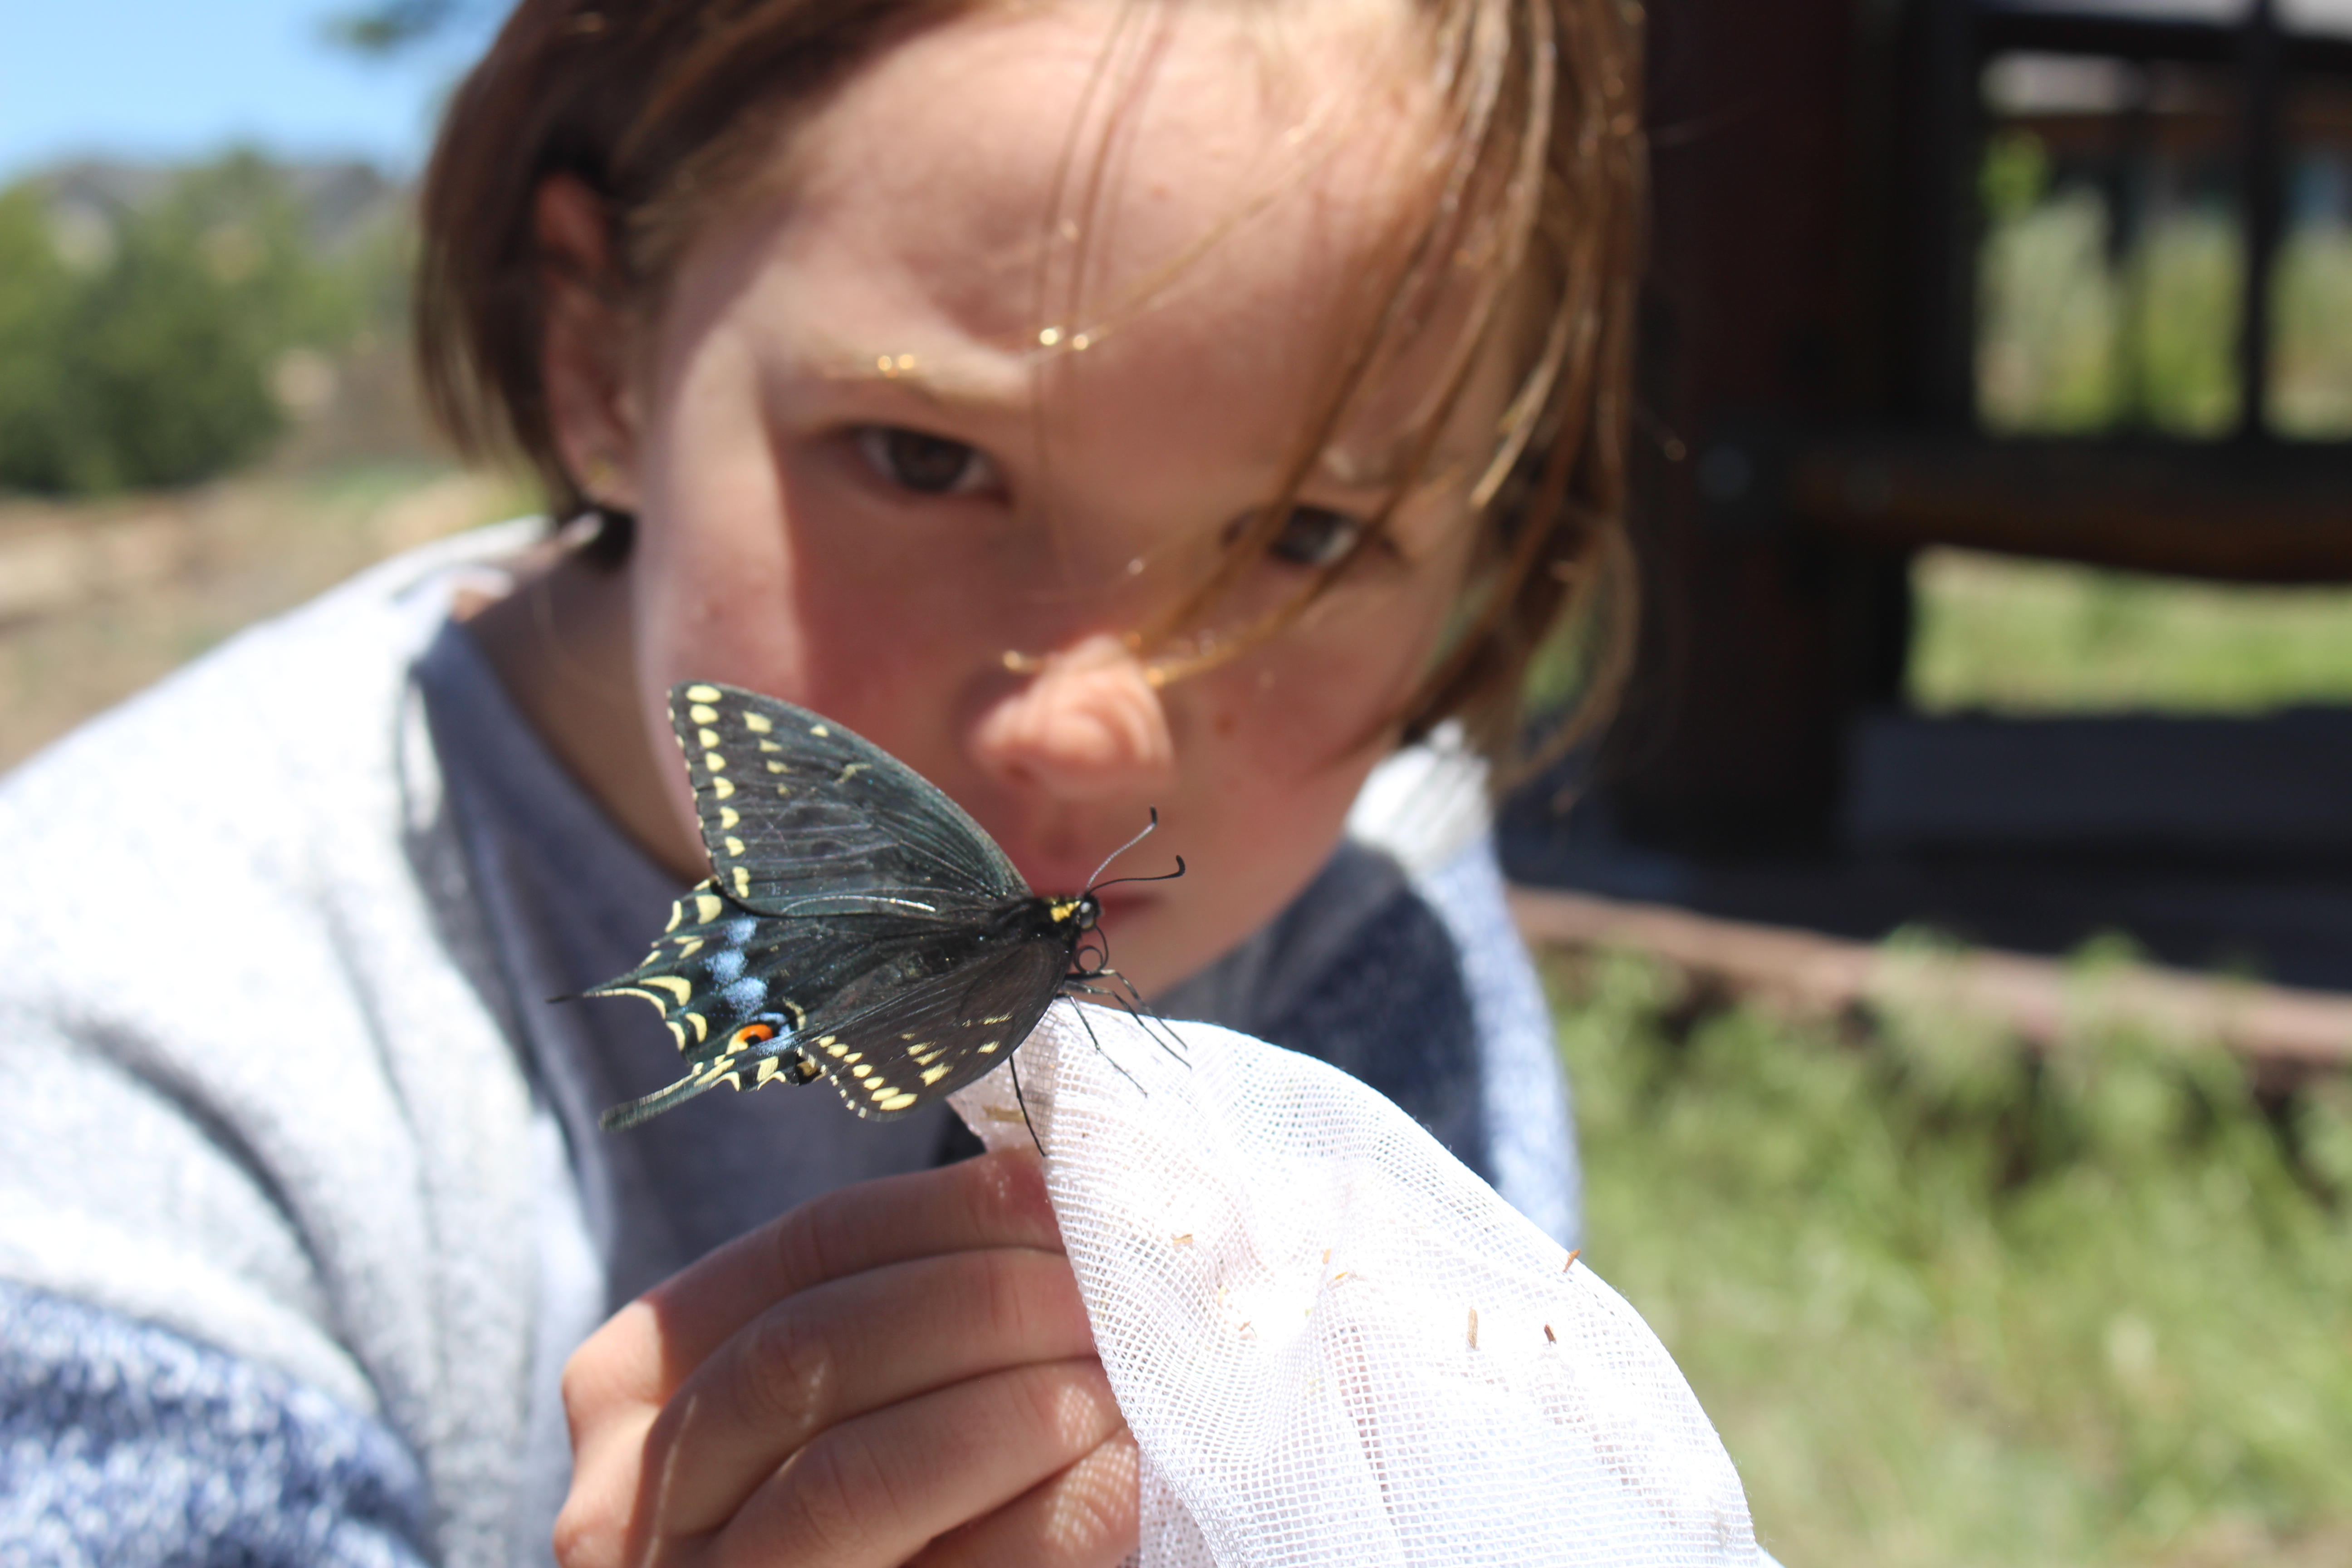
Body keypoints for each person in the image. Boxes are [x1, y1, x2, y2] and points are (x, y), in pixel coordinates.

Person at [0, 0, 1641, 1562]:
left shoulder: (1360, 893)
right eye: (926, 460)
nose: (1096, 729)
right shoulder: (114, 1013)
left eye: (1310, 536)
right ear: (603, 365)